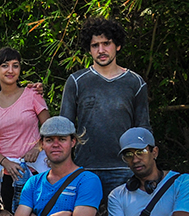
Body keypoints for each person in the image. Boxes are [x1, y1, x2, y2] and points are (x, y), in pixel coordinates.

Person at [60, 17, 151, 201]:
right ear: (89, 49)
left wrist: (145, 168)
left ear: (117, 45)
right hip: (85, 169)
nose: (101, 50)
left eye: (106, 43)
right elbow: (65, 129)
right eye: (95, 45)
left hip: (125, 169)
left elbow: (143, 130)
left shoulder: (135, 82)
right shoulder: (76, 82)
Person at [0, 47, 50, 212]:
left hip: (37, 171)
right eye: (5, 66)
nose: (10, 70)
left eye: (15, 65)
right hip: (9, 174)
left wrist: (37, 147)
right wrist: (5, 163)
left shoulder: (32, 95)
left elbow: (50, 129)